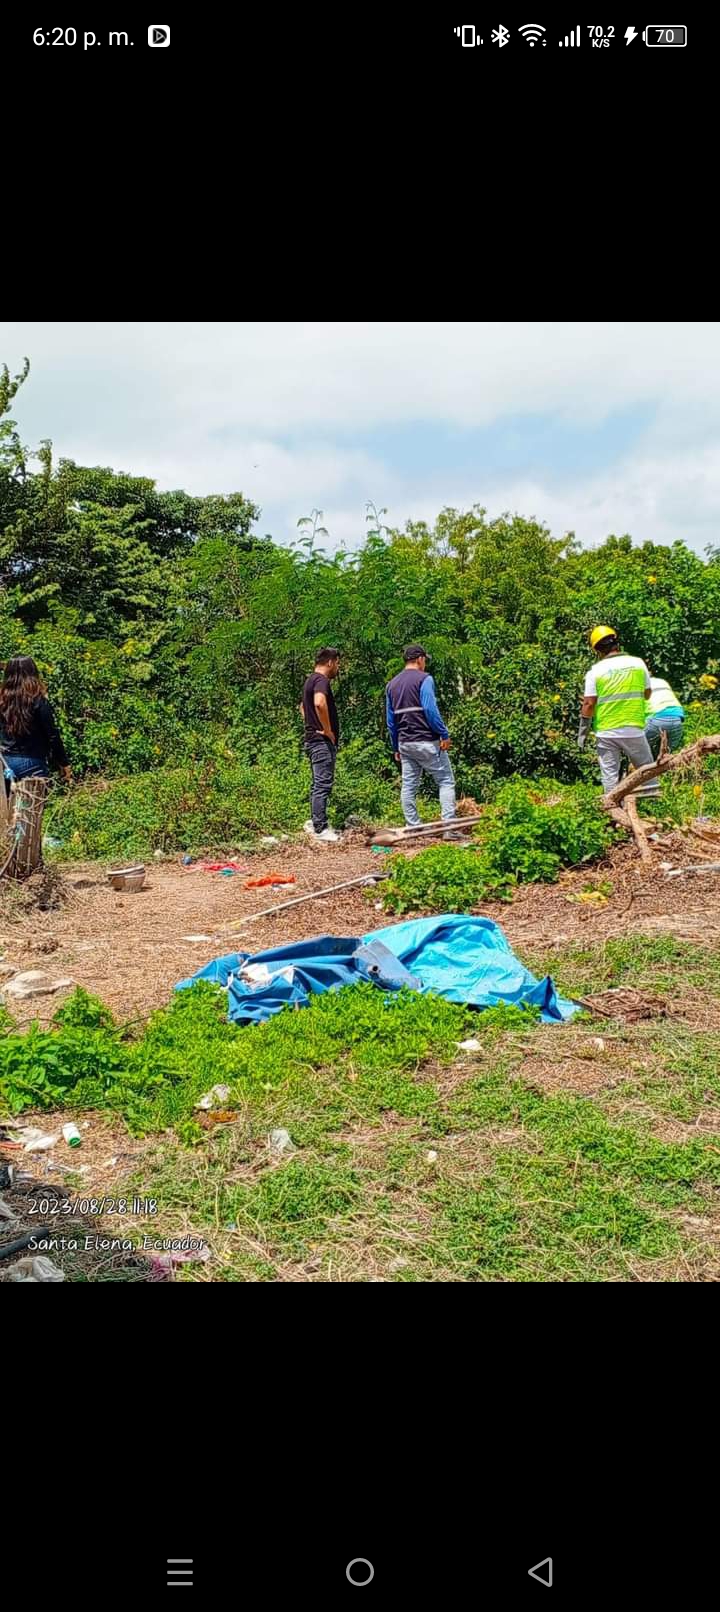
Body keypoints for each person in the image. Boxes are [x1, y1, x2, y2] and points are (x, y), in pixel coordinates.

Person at [578, 627, 659, 799]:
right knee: (647, 770)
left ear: (597, 650)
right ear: (617, 643)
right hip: (633, 728)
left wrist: (582, 733)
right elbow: (647, 693)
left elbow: (588, 704)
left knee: (610, 776)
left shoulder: (595, 671)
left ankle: (612, 807)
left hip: (606, 731)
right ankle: (654, 802)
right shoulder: (638, 663)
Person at [386, 644, 457, 828]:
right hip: (426, 741)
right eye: (425, 660)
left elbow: (391, 722)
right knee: (446, 781)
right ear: (420, 659)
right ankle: (449, 826)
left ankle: (413, 826)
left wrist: (395, 746)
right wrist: (444, 734)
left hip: (405, 744)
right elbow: (430, 710)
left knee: (409, 786)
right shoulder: (425, 679)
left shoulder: (391, 685)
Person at [0, 655, 72, 794]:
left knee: (5, 806)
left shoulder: (2, 701)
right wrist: (63, 762)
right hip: (32, 762)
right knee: (31, 806)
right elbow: (52, 735)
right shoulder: (38, 701)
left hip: (5, 762)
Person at [301, 647, 341, 843]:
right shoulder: (321, 680)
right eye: (338, 663)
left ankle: (315, 821)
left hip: (312, 740)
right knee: (323, 784)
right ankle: (321, 828)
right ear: (330, 662)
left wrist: (310, 723)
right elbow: (319, 703)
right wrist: (326, 730)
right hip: (321, 742)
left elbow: (302, 707)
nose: (338, 668)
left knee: (317, 783)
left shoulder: (309, 680)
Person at [645, 673, 685, 758]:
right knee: (666, 757)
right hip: (677, 719)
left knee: (637, 749)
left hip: (657, 717)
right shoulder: (662, 681)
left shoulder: (640, 685)